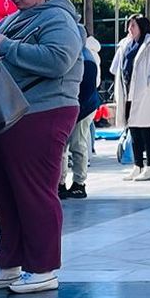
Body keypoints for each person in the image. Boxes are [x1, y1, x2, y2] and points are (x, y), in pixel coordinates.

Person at [0, 0, 83, 296]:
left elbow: (58, 60)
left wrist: (9, 47)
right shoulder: (14, 19)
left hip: (43, 112)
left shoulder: (59, 19)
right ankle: (9, 263)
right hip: (10, 115)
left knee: (35, 193)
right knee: (3, 192)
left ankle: (43, 267)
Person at [111, 13, 150, 177]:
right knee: (133, 129)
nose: (129, 29)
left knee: (146, 130)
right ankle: (138, 165)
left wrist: (149, 83)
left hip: (145, 94)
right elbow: (116, 67)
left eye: (133, 25)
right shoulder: (126, 45)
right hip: (128, 93)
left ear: (141, 27)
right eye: (129, 25)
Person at [59, 30, 102, 199]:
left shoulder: (86, 59)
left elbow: (87, 91)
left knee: (77, 143)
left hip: (83, 107)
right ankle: (61, 182)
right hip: (73, 104)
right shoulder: (77, 55)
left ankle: (79, 182)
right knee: (64, 146)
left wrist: (74, 113)